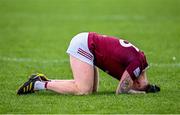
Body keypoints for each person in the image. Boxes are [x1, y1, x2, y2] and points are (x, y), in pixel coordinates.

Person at [17, 32, 160, 95]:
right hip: (85, 45)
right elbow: (121, 91)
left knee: (91, 90)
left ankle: (43, 80)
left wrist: (146, 89)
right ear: (139, 82)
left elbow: (129, 86)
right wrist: (138, 93)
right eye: (136, 86)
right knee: (83, 90)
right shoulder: (137, 66)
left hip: (88, 45)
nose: (132, 84)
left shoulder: (140, 63)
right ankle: (38, 84)